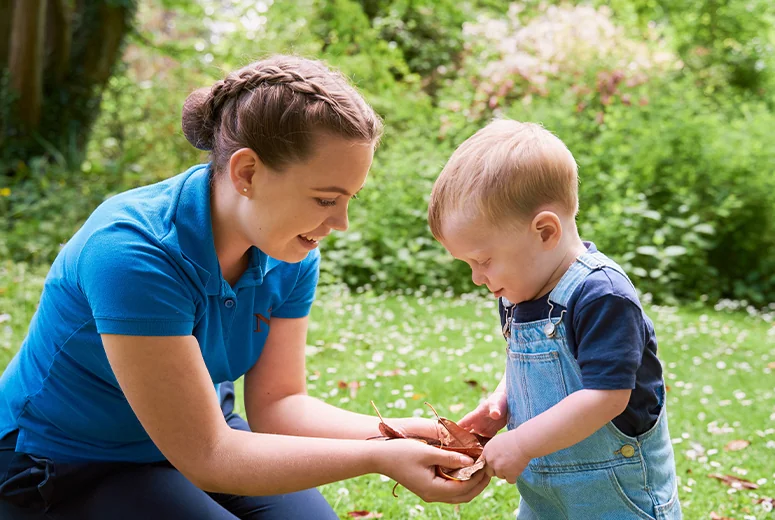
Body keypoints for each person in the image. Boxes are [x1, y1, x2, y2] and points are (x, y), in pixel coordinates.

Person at [0, 55, 490, 519]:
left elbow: (279, 406)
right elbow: (209, 455)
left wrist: (399, 435)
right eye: (325, 199)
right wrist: (379, 460)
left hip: (201, 435)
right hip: (67, 463)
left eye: (349, 199)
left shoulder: (289, 250)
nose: (340, 222)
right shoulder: (132, 252)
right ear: (247, 172)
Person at [427, 119, 681, 519]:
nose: (477, 277)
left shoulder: (602, 296)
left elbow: (607, 396)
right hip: (545, 496)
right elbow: (528, 363)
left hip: (617, 496)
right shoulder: (518, 291)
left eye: (483, 260)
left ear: (545, 231)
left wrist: (522, 443)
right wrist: (502, 400)